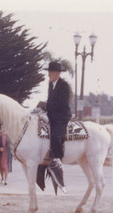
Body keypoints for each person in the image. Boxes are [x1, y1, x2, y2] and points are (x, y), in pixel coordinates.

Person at [45, 61, 71, 193]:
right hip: (51, 115)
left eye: (51, 72)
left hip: (61, 117)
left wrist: (47, 106)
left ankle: (57, 160)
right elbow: (50, 101)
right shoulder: (51, 85)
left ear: (57, 73)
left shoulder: (64, 86)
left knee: (55, 135)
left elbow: (62, 104)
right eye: (49, 72)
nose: (49, 74)